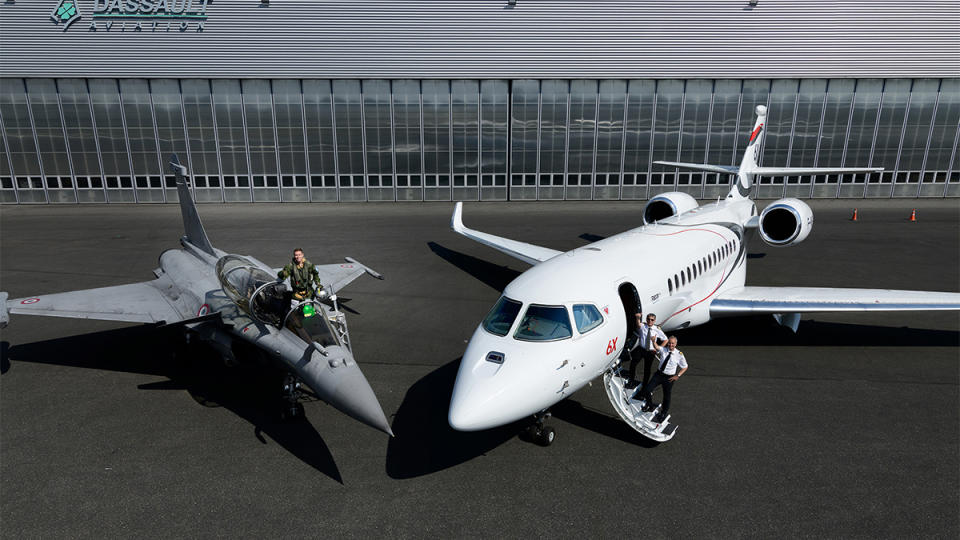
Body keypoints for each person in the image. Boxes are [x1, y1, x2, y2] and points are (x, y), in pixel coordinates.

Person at [633, 335, 687, 424]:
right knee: (647, 390)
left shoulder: (679, 355)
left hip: (669, 378)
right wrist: (654, 341)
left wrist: (678, 375)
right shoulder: (664, 349)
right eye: (669, 343)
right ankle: (649, 405)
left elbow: (685, 366)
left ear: (676, 344)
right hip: (659, 375)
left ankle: (663, 413)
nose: (670, 345)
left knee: (666, 396)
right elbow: (657, 347)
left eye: (672, 343)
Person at [624, 312, 667, 389]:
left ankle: (645, 385)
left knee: (647, 369)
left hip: (651, 351)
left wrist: (658, 348)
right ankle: (631, 380)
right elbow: (638, 324)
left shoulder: (657, 329)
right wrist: (638, 317)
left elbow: (665, 340)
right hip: (641, 349)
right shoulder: (643, 326)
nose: (650, 321)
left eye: (652, 320)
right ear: (646, 319)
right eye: (648, 319)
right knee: (633, 364)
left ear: (654, 321)